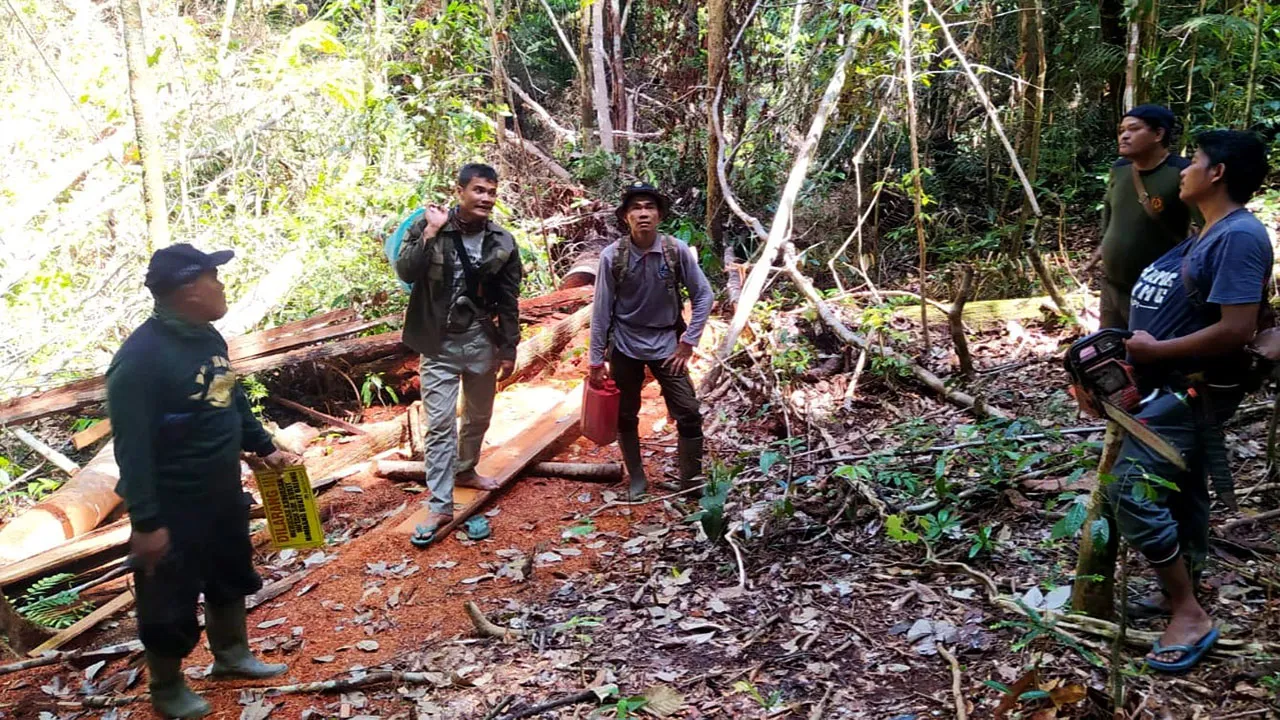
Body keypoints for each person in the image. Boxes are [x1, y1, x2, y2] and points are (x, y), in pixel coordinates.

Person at [107, 244, 301, 718]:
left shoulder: (208, 338)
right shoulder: (139, 361)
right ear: (190, 290)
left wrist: (263, 446)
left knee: (229, 574)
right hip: (174, 504)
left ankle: (231, 655)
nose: (222, 286)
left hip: (220, 490)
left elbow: (228, 401)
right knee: (168, 598)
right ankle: (167, 687)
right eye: (215, 278)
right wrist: (147, 522)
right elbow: (131, 451)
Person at [1105, 130, 1271, 673]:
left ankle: (1188, 611)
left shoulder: (1240, 237)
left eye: (1194, 161)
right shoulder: (1203, 234)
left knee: (1130, 489)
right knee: (1183, 490)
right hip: (1161, 385)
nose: (1184, 170)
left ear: (1217, 173)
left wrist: (1156, 349)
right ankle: (1180, 585)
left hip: (1190, 390)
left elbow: (1235, 329)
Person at [395, 163, 522, 546]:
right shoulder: (429, 226)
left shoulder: (502, 241)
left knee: (479, 416)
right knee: (439, 424)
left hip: (482, 339)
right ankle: (439, 500)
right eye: (479, 190)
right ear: (461, 191)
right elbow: (406, 269)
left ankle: (466, 469)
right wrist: (431, 231)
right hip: (438, 343)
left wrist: (509, 346)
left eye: (492, 192)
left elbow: (509, 299)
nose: (486, 198)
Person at [588, 182, 714, 499]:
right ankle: (637, 480)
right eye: (636, 208)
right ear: (625, 217)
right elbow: (602, 310)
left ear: (659, 215)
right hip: (626, 344)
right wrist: (595, 360)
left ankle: (691, 483)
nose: (643, 214)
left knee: (688, 412)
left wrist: (689, 341)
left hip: (668, 343)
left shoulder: (675, 251)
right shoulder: (611, 257)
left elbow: (704, 296)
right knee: (626, 414)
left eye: (649, 207)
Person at [1087, 104, 1200, 329]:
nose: (1124, 136)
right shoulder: (1120, 168)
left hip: (1154, 291)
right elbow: (1110, 206)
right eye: (1121, 131)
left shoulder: (1181, 172)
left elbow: (1208, 223)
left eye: (1133, 129)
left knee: (1149, 351)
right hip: (1111, 283)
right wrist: (1103, 246)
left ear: (1158, 134)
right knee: (1110, 347)